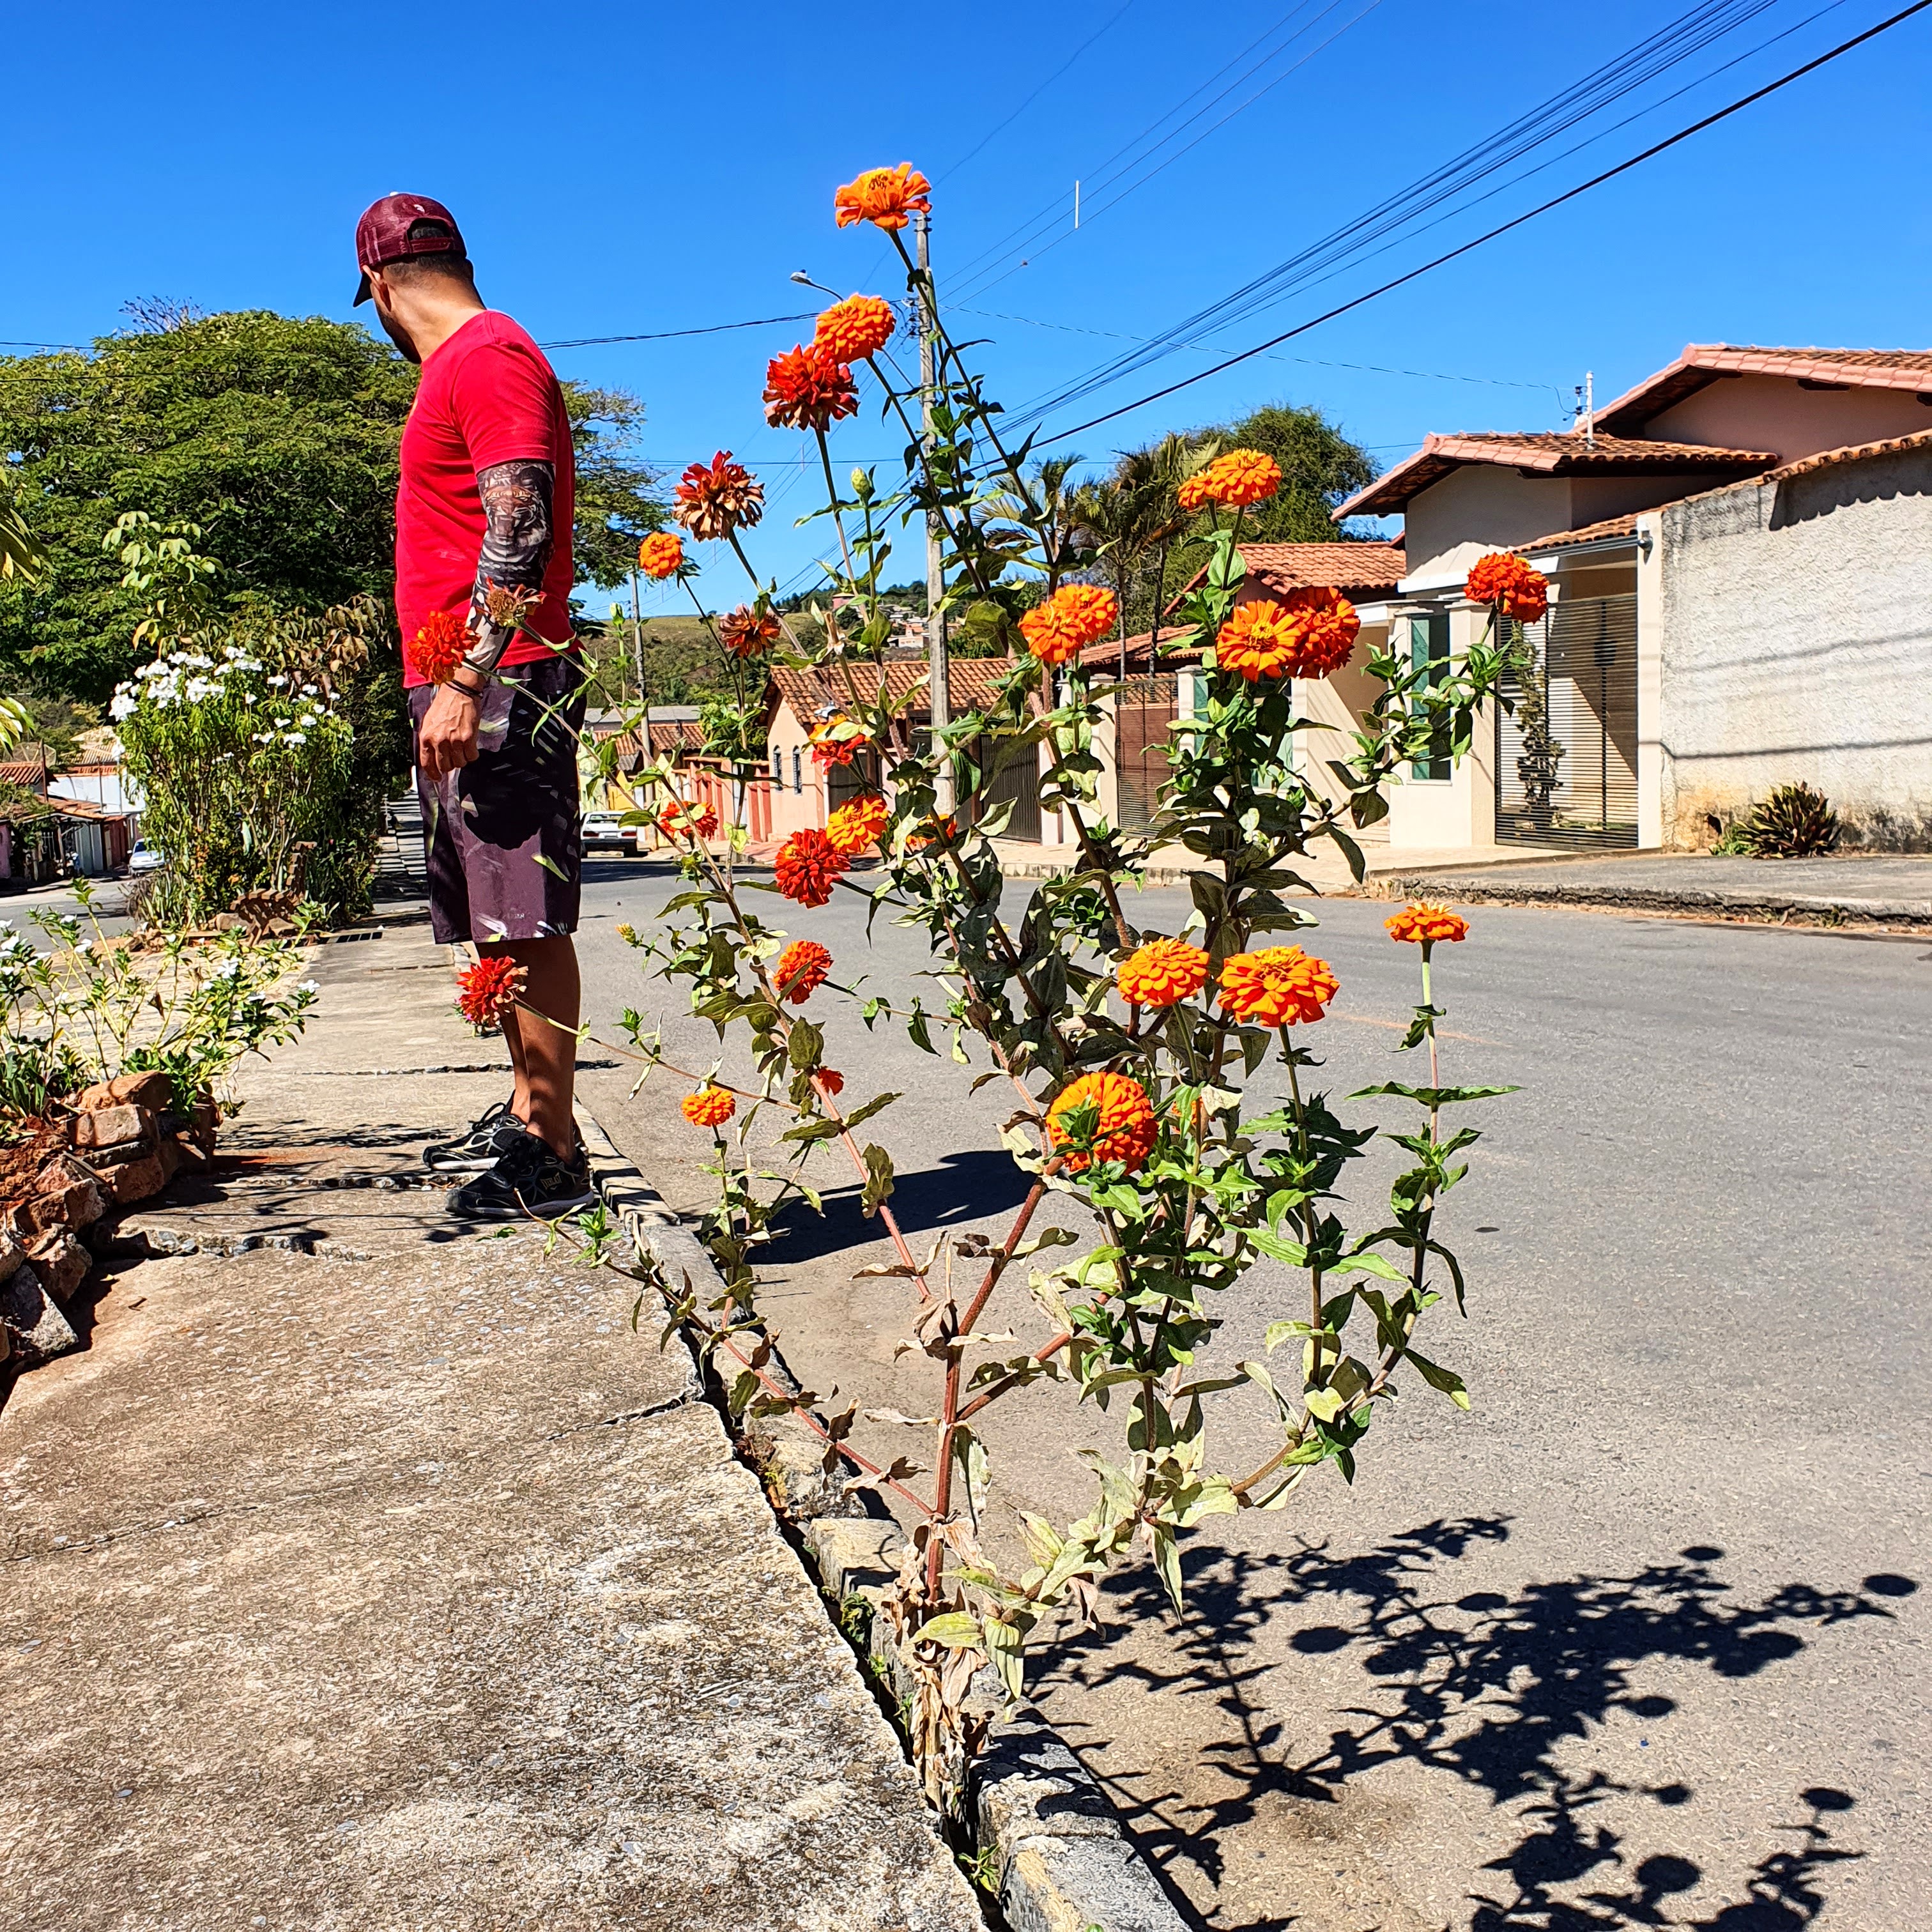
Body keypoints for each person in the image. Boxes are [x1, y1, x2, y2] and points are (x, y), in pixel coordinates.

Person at [353, 192, 595, 1221]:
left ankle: (553, 1150)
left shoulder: (487, 355)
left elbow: (522, 524)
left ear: (376, 287)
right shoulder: (462, 364)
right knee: (494, 918)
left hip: (497, 678)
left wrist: (466, 680)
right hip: (468, 677)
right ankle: (527, 1114)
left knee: (524, 917)